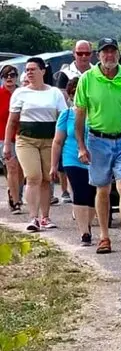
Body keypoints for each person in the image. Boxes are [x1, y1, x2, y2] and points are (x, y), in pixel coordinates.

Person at [74, 38, 121, 256]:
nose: (109, 56)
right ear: (98, 55)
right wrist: (81, 146)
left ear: (118, 53)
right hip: (98, 140)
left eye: (113, 51)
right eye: (105, 52)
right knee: (102, 189)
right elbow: (79, 116)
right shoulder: (87, 79)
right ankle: (104, 237)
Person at [5, 57, 68, 231]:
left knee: (47, 178)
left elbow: (63, 118)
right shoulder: (20, 93)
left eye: (33, 69)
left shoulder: (54, 93)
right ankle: (33, 217)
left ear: (42, 71)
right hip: (26, 140)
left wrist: (65, 141)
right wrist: (7, 145)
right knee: (33, 176)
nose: (29, 72)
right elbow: (12, 121)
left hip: (49, 140)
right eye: (27, 70)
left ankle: (45, 217)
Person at [51, 77, 95, 245]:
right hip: (72, 158)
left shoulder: (96, 113)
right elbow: (57, 141)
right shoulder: (67, 114)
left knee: (92, 195)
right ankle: (84, 232)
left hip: (94, 159)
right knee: (80, 192)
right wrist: (54, 165)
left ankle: (88, 225)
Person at [1, 66, 24, 214]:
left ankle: (16, 193)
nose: (9, 78)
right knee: (12, 167)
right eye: (5, 75)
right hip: (3, 137)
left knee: (22, 170)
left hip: (22, 136)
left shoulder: (22, 93)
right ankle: (15, 201)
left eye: (12, 75)